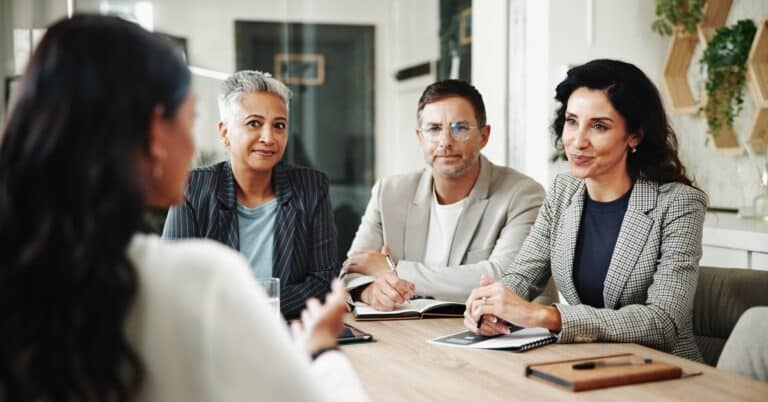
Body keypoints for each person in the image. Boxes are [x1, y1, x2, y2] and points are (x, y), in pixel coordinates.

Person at [0, 14, 367, 402]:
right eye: (189, 121)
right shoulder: (202, 280)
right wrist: (323, 350)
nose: (193, 147)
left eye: (279, 125)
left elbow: (325, 277)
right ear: (156, 134)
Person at [464, 59, 706, 362]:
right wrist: (491, 306)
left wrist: (547, 316)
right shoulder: (564, 192)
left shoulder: (679, 204)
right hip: (587, 363)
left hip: (667, 372)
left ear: (635, 136)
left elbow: (662, 323)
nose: (577, 141)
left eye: (599, 126)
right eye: (571, 121)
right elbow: (523, 276)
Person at [342, 79, 545, 310]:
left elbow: (503, 278)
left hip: (487, 335)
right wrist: (369, 291)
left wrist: (392, 269)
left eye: (460, 128)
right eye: (434, 129)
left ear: (484, 135)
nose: (445, 142)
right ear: (420, 137)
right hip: (402, 332)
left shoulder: (523, 195)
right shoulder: (389, 193)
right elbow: (353, 268)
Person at [162, 70, 339, 319]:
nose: (268, 138)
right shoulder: (194, 188)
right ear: (224, 132)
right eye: (254, 123)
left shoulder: (311, 187)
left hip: (286, 332)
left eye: (279, 126)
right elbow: (173, 281)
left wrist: (250, 307)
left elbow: (325, 281)